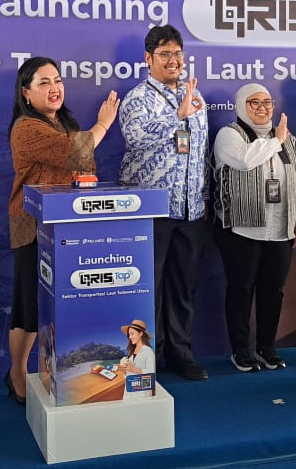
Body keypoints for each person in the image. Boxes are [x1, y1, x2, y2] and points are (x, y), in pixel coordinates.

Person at [6, 56, 119, 405]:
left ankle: (63, 374)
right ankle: (16, 373)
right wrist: (103, 124)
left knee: (61, 306)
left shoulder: (64, 123)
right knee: (29, 308)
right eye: (44, 82)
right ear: (26, 93)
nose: (54, 88)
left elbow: (84, 164)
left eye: (57, 80)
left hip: (68, 227)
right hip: (33, 227)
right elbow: (75, 152)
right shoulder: (26, 127)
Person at [119, 25, 212, 381]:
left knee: (184, 287)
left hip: (191, 209)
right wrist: (177, 116)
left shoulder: (195, 95)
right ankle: (148, 359)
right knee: (149, 288)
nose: (173, 61)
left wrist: (204, 198)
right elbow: (135, 138)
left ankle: (181, 354)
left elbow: (200, 152)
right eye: (165, 54)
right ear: (148, 58)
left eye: (177, 54)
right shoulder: (137, 98)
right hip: (152, 210)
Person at [212, 83, 296, 372]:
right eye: (254, 102)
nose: (262, 108)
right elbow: (245, 160)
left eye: (267, 102)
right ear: (241, 105)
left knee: (273, 290)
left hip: (280, 228)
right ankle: (240, 350)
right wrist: (276, 140)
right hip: (241, 228)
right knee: (241, 290)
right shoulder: (229, 134)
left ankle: (267, 347)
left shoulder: (287, 139)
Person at [119, 319, 156, 400]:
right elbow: (128, 375)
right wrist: (123, 370)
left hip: (142, 394)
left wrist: (134, 369)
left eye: (132, 334)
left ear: (141, 333)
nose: (130, 337)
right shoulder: (131, 352)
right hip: (128, 392)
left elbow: (152, 373)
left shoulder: (148, 351)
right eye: (129, 335)